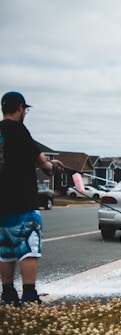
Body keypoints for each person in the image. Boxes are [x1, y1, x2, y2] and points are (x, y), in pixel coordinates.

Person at [0, 91, 63, 305]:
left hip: (1, 204)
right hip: (22, 201)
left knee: (5, 250)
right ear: (20, 108)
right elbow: (40, 160)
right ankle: (28, 294)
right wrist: (51, 167)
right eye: (24, 109)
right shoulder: (19, 130)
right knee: (28, 248)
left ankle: (7, 293)